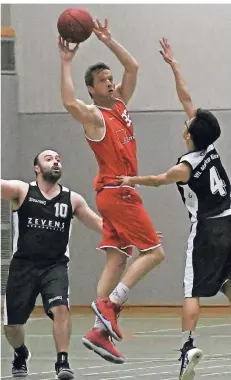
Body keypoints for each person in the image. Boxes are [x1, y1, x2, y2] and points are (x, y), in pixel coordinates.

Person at [117, 38, 231, 380]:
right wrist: (173, 64)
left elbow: (159, 179)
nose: (186, 121)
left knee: (191, 288)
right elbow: (185, 98)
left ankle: (188, 345)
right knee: (227, 281)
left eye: (187, 124)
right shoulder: (210, 147)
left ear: (190, 136)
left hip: (209, 228)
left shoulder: (187, 165)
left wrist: (130, 180)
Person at [59, 18, 165, 364]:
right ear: (92, 89)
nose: (110, 82)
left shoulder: (119, 105)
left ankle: (97, 331)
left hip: (115, 194)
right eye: (103, 80)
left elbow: (132, 66)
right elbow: (69, 103)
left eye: (110, 78)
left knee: (117, 258)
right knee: (154, 253)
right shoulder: (95, 116)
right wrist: (66, 63)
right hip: (117, 191)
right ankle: (110, 304)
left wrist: (108, 40)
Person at [1, 149, 102, 379]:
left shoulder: (72, 199)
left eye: (58, 159)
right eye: (49, 159)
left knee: (61, 309)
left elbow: (99, 223)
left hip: (54, 266)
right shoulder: (22, 190)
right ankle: (20, 352)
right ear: (37, 168)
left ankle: (62, 362)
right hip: (23, 266)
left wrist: (132, 235)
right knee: (12, 326)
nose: (55, 162)